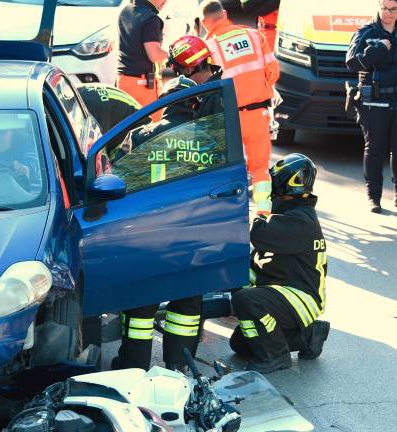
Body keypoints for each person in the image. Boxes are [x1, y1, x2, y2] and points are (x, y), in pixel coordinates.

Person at [111, 77, 204, 373]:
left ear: (163, 105)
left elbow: (116, 178)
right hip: (190, 233)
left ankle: (133, 366)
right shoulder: (209, 139)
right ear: (193, 105)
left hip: (148, 233)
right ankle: (178, 365)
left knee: (139, 306)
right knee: (187, 304)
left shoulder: (141, 135)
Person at [229, 153, 330, 374]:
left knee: (246, 300)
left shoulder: (300, 220)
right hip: (285, 290)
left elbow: (258, 234)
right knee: (241, 344)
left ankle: (277, 356)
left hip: (301, 296)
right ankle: (308, 336)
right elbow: (261, 261)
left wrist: (262, 205)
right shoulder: (291, 216)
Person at [346, 0, 397, 214]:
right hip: (375, 101)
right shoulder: (365, 33)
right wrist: (378, 49)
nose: (388, 13)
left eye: (393, 9)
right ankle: (373, 197)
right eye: (384, 8)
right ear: (378, 7)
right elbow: (352, 63)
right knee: (374, 150)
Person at [200, 0, 280, 216]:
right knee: (260, 167)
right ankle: (263, 212)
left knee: (227, 167)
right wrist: (259, 87)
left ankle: (231, 215)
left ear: (205, 22)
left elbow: (205, 87)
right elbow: (273, 71)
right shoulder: (254, 36)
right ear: (225, 13)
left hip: (229, 118)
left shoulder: (209, 47)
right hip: (257, 114)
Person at [116, 0, 168, 112]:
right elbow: (154, 55)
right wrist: (171, 56)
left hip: (123, 81)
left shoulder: (125, 10)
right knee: (152, 126)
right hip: (142, 85)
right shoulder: (151, 19)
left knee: (128, 125)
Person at [76, 82, 142, 133]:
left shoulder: (93, 109)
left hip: (139, 127)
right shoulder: (78, 91)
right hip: (137, 114)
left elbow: (99, 143)